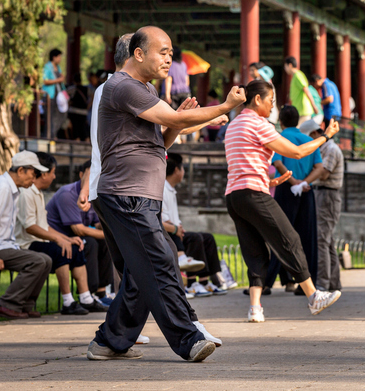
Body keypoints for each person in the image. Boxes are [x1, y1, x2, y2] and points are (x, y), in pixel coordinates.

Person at [87, 25, 244, 362]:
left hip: (140, 195)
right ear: (138, 54)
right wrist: (223, 106)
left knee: (139, 272)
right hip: (125, 194)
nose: (170, 59)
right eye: (164, 52)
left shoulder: (142, 90)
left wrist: (178, 121)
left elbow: (161, 141)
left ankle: (108, 340)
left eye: (172, 53)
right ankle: (187, 337)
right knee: (161, 261)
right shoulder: (122, 86)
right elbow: (174, 117)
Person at [224, 79, 342, 323]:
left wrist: (269, 182)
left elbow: (243, 165)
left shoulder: (234, 125)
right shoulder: (259, 124)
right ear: (258, 99)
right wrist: (325, 137)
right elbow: (296, 152)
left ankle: (255, 308)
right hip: (254, 194)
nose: (272, 107)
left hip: (235, 196)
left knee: (254, 250)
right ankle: (313, 296)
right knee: (290, 239)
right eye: (271, 101)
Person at [0, 151, 52, 319]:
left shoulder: (12, 189)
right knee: (36, 261)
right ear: (21, 170)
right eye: (34, 173)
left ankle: (25, 305)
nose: (35, 178)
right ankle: (7, 305)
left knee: (46, 260)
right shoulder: (2, 188)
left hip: (4, 245)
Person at [15, 152, 95, 315]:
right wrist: (59, 241)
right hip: (26, 243)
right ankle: (67, 301)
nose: (54, 177)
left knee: (75, 246)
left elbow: (44, 225)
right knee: (61, 251)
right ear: (43, 174)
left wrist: (67, 238)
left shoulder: (37, 193)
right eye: (52, 173)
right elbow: (30, 227)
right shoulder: (27, 193)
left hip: (39, 240)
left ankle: (86, 298)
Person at [264, 105, 323, 294]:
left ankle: (266, 282)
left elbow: (278, 162)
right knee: (308, 237)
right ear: (298, 121)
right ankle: (307, 285)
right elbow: (319, 168)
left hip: (285, 188)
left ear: (280, 121)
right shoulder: (308, 140)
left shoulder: (280, 139)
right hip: (306, 191)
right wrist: (304, 182)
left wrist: (292, 181)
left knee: (279, 235)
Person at [46, 160, 110, 310]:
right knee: (92, 242)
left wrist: (111, 225)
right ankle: (89, 293)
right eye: (91, 175)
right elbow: (79, 230)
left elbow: (96, 224)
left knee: (106, 243)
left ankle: (101, 293)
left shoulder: (95, 195)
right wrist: (108, 235)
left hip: (77, 239)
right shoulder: (67, 194)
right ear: (82, 175)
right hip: (58, 239)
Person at [162, 153, 228, 296]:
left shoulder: (171, 189)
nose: (183, 172)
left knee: (208, 237)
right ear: (176, 170)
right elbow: (163, 219)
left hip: (175, 230)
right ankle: (192, 283)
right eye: (183, 168)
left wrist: (179, 228)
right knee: (195, 238)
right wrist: (176, 229)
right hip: (168, 234)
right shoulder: (163, 189)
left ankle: (205, 281)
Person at [300, 119, 344, 292]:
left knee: (321, 241)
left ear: (314, 134)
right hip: (321, 194)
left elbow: (324, 174)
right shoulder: (323, 149)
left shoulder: (331, 149)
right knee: (327, 241)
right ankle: (333, 283)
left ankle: (323, 283)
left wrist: (305, 180)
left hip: (328, 195)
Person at [284, 56, 316, 125]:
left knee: (297, 131)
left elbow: (306, 90)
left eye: (285, 66)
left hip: (304, 111)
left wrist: (314, 106)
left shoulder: (298, 75)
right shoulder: (295, 76)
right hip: (300, 111)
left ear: (290, 65)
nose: (285, 69)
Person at [43, 48, 66, 139]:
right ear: (54, 57)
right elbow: (44, 81)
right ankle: (48, 136)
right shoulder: (47, 67)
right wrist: (58, 80)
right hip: (50, 95)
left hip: (58, 96)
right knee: (49, 116)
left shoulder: (58, 68)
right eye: (59, 57)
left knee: (60, 115)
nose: (60, 59)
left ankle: (53, 133)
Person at [162, 46, 190, 110]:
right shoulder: (183, 65)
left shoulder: (171, 65)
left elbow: (169, 80)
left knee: (173, 113)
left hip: (174, 93)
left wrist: (167, 95)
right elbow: (187, 81)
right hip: (185, 92)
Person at [67, 73, 90, 141]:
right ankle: (87, 139)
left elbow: (64, 94)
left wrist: (68, 104)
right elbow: (93, 95)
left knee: (75, 127)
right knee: (83, 127)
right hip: (83, 111)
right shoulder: (87, 89)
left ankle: (77, 140)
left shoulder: (72, 89)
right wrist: (88, 106)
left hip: (73, 111)